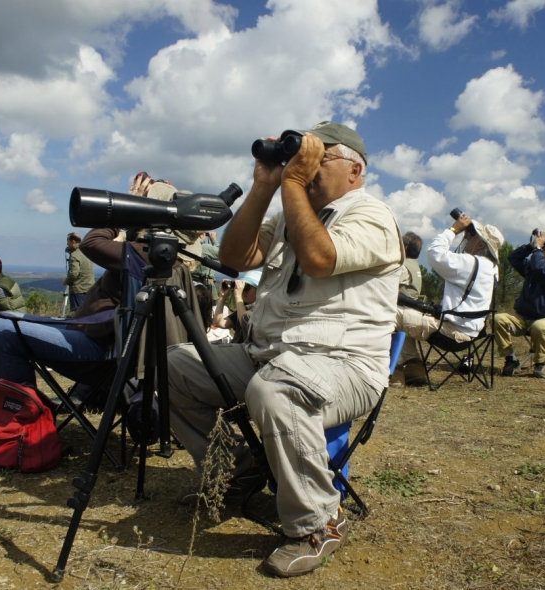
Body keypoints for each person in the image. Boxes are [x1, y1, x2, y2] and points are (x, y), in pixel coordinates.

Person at [166, 121, 402, 578]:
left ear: (355, 170)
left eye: (319, 156)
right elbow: (235, 258)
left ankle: (319, 523)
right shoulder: (288, 215)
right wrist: (264, 185)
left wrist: (292, 183)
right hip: (267, 356)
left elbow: (320, 258)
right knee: (177, 363)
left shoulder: (371, 215)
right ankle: (237, 474)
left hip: (344, 366)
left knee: (278, 391)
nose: (305, 166)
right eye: (300, 157)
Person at [0, 174, 204, 389]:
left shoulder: (144, 254)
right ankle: (16, 404)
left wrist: (125, 211)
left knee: (4, 329)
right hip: (97, 340)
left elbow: (91, 243)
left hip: (100, 353)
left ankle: (19, 413)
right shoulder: (162, 257)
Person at [394, 215, 501, 385]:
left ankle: (395, 370)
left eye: (469, 236)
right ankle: (413, 367)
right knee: (407, 316)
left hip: (449, 332)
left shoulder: (471, 263)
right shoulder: (492, 268)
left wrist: (454, 230)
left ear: (480, 244)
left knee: (386, 312)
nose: (465, 238)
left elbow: (435, 253)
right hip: (471, 334)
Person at [494, 230, 545, 378]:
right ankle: (510, 359)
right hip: (523, 319)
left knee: (540, 326)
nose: (544, 247)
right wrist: (530, 247)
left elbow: (540, 270)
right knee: (498, 319)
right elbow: (513, 258)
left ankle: (541, 364)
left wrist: (537, 249)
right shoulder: (535, 267)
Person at [209, 269, 261, 343]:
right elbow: (219, 322)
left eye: (247, 288)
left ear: (259, 290)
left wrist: (238, 297)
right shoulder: (244, 308)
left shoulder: (260, 310)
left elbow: (246, 326)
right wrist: (223, 297)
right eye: (243, 288)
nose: (243, 291)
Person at [63, 232, 95, 312]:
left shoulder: (75, 255)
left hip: (78, 290)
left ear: (73, 242)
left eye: (68, 242)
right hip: (89, 288)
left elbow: (74, 274)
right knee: (86, 312)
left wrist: (66, 281)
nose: (67, 244)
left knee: (77, 313)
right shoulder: (87, 252)